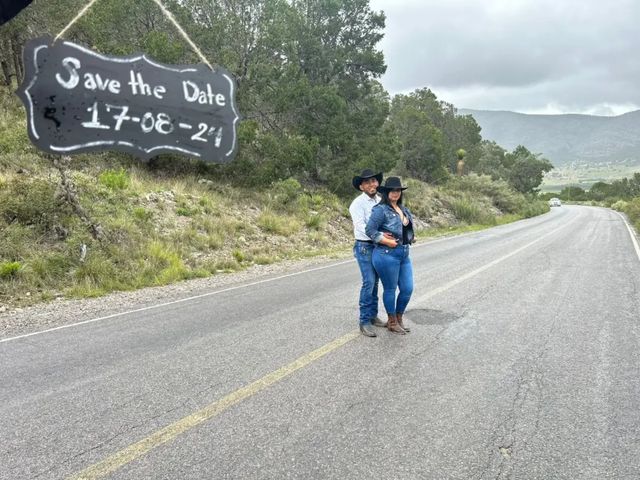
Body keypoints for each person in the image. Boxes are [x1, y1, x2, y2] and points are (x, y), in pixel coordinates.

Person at [365, 176, 415, 335]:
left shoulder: (403, 209)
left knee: (407, 288)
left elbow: (406, 228)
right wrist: (385, 241)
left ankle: (398, 318)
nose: (395, 193)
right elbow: (370, 230)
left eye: (398, 190)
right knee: (390, 289)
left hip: (403, 253)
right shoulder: (381, 210)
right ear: (386, 192)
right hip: (386, 254)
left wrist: (410, 237)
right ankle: (392, 321)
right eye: (392, 190)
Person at [349, 169, 388, 337]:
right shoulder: (357, 204)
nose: (372, 184)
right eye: (367, 182)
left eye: (374, 181)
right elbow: (360, 226)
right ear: (361, 186)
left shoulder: (380, 201)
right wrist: (380, 237)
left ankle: (373, 316)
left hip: (378, 245)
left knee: (376, 282)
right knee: (369, 282)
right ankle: (364, 321)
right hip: (365, 246)